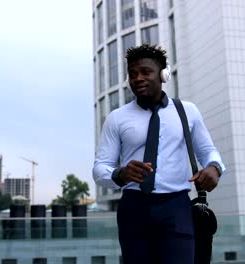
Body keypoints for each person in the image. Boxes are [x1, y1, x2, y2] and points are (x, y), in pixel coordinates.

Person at [92, 43, 225, 264]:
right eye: (133, 74)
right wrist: (121, 174)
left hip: (177, 207)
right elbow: (100, 168)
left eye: (146, 71)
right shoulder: (117, 118)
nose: (138, 78)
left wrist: (215, 168)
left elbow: (209, 151)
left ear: (164, 75)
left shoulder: (187, 111)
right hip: (134, 206)